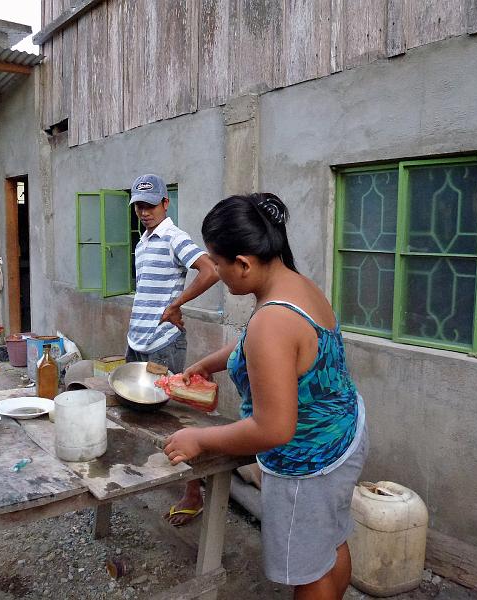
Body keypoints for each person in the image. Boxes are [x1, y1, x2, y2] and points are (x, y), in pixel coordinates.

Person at [163, 193, 368, 599]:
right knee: (330, 542)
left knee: (308, 570)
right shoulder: (294, 284)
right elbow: (265, 348)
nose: (216, 272)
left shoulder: (272, 321)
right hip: (345, 432)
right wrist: (211, 363)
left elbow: (274, 428)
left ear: (243, 263)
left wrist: (199, 439)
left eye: (218, 264)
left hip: (310, 461)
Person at [125, 173, 220, 526]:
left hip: (164, 342)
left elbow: (210, 271)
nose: (144, 212)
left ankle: (194, 493)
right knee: (135, 411)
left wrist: (178, 303)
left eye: (150, 205)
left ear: (166, 203)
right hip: (137, 338)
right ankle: (155, 474)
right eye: (138, 206)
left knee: (173, 419)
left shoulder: (173, 236)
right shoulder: (144, 240)